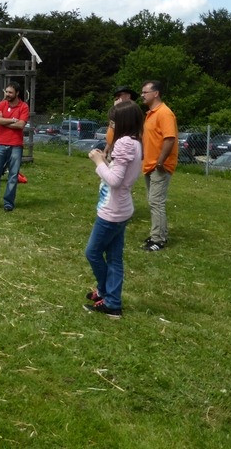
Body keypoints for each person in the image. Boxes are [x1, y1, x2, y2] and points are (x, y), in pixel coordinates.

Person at [83, 101, 144, 318]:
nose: (110, 127)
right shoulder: (135, 142)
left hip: (113, 210)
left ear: (122, 123)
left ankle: (106, 293)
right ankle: (113, 303)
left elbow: (115, 181)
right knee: (114, 257)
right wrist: (106, 163)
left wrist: (98, 161)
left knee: (92, 252)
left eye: (112, 122)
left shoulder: (124, 143)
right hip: (122, 207)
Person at [141, 80, 178, 252]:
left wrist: (161, 162)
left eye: (145, 92)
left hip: (159, 166)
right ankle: (159, 233)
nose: (142, 95)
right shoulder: (150, 114)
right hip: (150, 165)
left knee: (156, 202)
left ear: (156, 93)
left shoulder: (165, 113)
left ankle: (158, 240)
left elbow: (169, 138)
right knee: (153, 201)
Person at [0, 81, 29, 212]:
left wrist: (5, 122)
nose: (7, 94)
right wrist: (13, 120)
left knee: (13, 176)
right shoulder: (1, 104)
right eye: (6, 92)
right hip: (0, 144)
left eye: (10, 92)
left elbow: (21, 125)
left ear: (17, 93)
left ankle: (8, 203)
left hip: (16, 145)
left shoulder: (24, 106)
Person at [104, 86, 138, 155]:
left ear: (128, 96)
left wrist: (117, 110)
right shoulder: (119, 111)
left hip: (122, 149)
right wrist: (105, 150)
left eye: (119, 95)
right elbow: (112, 130)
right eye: (116, 96)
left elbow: (119, 129)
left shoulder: (132, 112)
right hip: (112, 148)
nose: (116, 98)